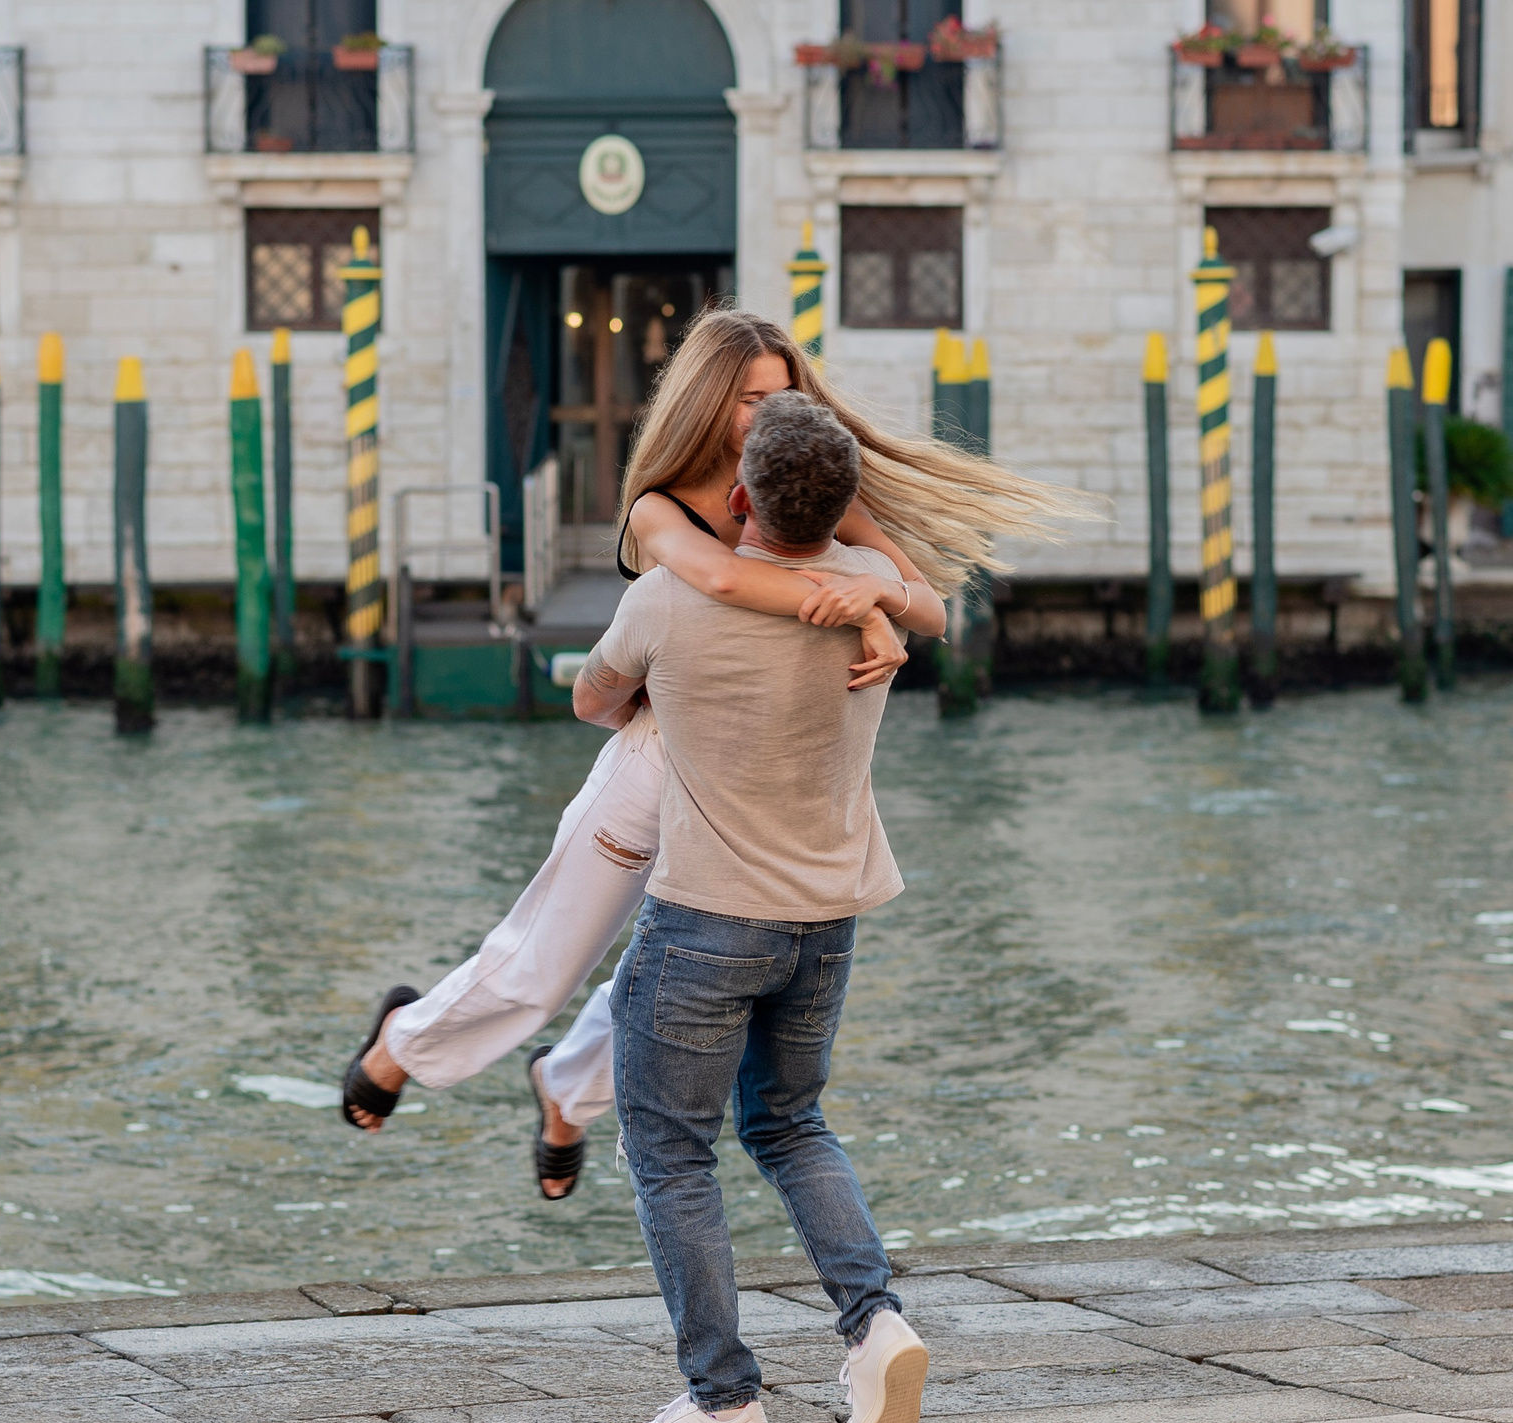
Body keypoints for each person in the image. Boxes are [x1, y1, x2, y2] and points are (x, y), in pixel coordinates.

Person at [340, 311, 1077, 1200]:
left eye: (784, 394)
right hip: (657, 756)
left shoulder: (811, 481)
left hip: (767, 768)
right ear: (706, 399)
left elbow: (933, 608)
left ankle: (565, 1091)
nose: (770, 413)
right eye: (750, 398)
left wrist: (881, 595)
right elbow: (723, 578)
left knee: (673, 974)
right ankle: (401, 1044)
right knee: (548, 960)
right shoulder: (664, 505)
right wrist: (864, 598)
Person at [574, 392, 923, 1423]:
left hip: (705, 918)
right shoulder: (873, 595)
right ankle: (874, 1320)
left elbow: (593, 699)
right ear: (847, 502)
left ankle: (723, 1404)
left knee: (670, 1151)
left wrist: (663, 693)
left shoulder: (669, 598)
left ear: (737, 499)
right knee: (790, 1123)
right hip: (825, 921)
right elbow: (922, 591)